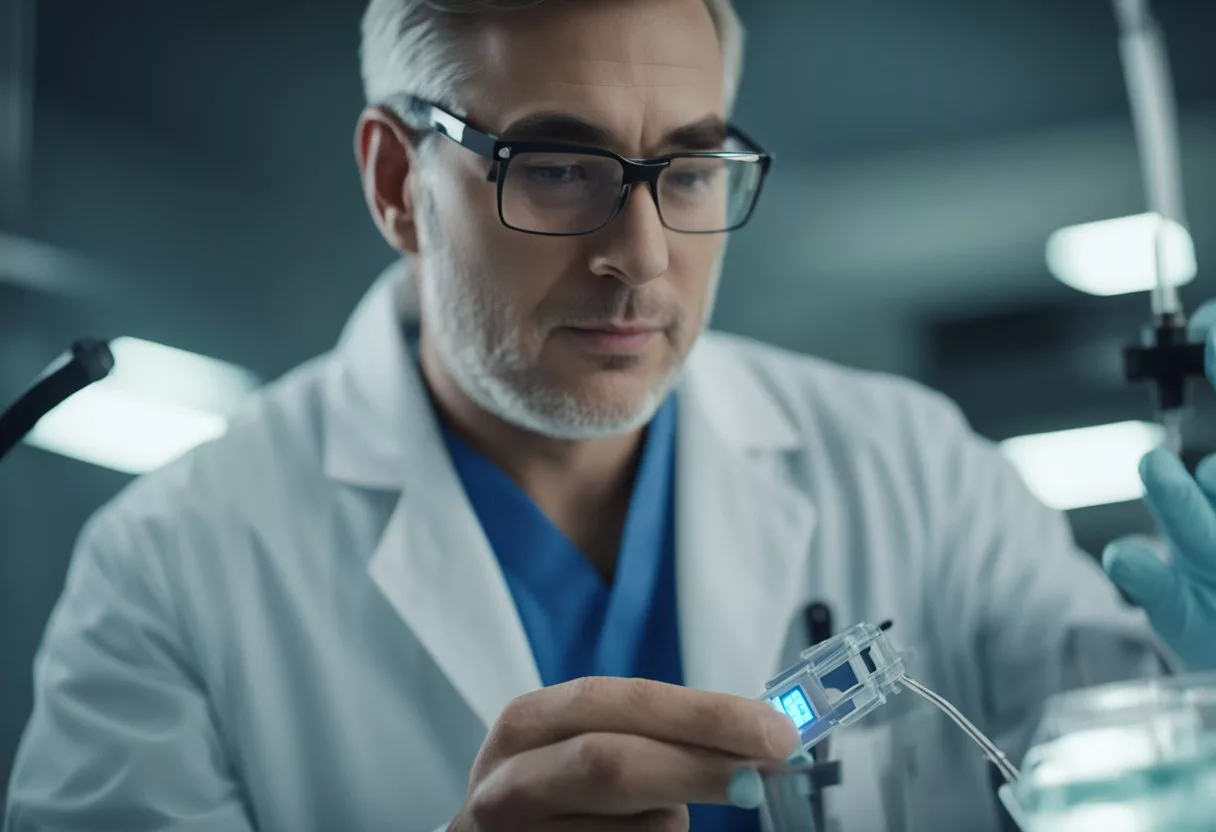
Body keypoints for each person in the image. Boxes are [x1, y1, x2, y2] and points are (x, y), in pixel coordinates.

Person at [6, 0, 1216, 830]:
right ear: (395, 183)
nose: (639, 258)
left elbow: (1135, 773)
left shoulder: (912, 468)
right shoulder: (167, 569)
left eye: (687, 169)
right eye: (557, 166)